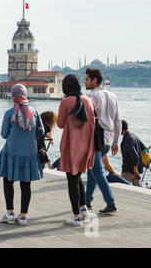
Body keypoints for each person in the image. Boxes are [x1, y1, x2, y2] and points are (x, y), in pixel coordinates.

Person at [0, 83, 44, 226]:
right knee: (25, 184)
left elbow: (3, 134)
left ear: (13, 96)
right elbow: (41, 132)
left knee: (8, 181)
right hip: (29, 153)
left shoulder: (9, 113)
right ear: (25, 94)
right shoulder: (34, 111)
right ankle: (23, 216)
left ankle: (9, 213)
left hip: (11, 153)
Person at [57, 74, 96, 226]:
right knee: (78, 176)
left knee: (71, 180)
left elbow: (60, 124)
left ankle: (76, 216)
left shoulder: (66, 101)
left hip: (71, 144)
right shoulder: (89, 100)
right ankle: (83, 207)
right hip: (87, 144)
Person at [84, 68, 120, 214]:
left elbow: (88, 120)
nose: (85, 82)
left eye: (86, 79)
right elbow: (117, 121)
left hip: (95, 138)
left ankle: (110, 202)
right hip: (108, 138)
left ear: (94, 80)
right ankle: (87, 200)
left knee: (97, 170)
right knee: (92, 170)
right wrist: (116, 142)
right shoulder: (112, 96)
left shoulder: (91, 96)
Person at [51, 154, 130, 185]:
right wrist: (117, 173)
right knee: (127, 184)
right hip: (106, 175)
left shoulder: (89, 149)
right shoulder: (104, 152)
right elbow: (108, 167)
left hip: (94, 176)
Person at [120, 120, 148, 187]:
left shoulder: (127, 139)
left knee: (121, 187)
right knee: (138, 188)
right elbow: (145, 149)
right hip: (136, 169)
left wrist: (135, 171)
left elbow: (135, 156)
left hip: (129, 170)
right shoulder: (133, 136)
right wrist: (145, 162)